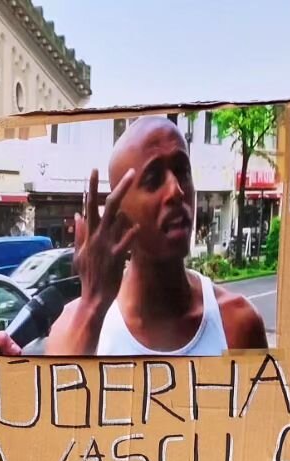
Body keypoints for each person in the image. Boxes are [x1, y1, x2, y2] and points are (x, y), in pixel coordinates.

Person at [46, 117, 268, 355]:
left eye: (182, 171)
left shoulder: (238, 324)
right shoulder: (75, 329)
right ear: (119, 216)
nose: (176, 191)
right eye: (153, 180)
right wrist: (92, 308)